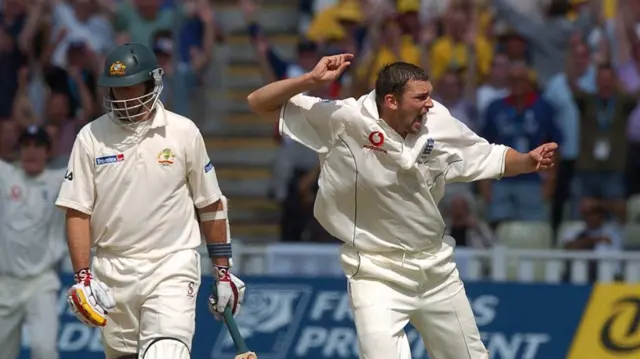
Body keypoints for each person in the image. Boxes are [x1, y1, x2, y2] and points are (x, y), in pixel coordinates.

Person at [247, 55, 557, 359]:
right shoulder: (345, 118)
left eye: (430, 95)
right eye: (421, 97)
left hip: (436, 270)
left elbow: (491, 156)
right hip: (374, 272)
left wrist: (528, 161)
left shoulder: (437, 122)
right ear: (392, 101)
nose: (430, 104)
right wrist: (310, 80)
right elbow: (259, 103)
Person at [54, 42, 245, 359]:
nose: (124, 98)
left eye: (132, 87)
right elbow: (77, 211)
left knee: (166, 352)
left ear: (152, 82)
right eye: (118, 90)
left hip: (171, 264)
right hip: (112, 271)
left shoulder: (183, 132)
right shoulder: (90, 137)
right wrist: (82, 277)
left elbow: (210, 205)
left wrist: (223, 270)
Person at [0, 125, 66, 359]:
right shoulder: (5, 177)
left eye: (38, 146)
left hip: (41, 281)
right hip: (5, 284)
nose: (31, 152)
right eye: (26, 145)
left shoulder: (60, 182)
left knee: (44, 350)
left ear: (49, 152)